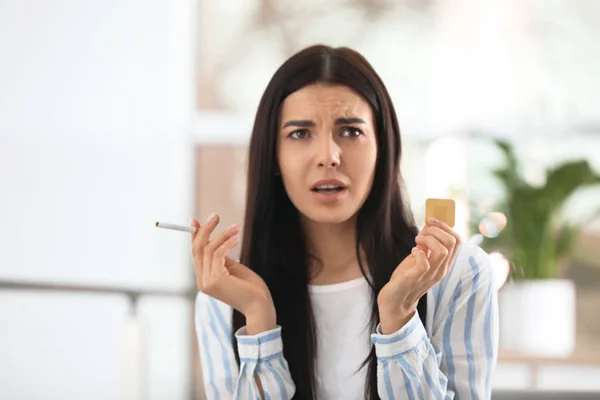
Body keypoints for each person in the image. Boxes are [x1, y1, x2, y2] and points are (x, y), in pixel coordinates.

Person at [190, 45, 498, 400]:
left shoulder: (459, 273)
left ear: (383, 147)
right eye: (300, 134)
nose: (328, 157)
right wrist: (258, 320)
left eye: (350, 131)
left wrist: (399, 317)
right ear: (273, 156)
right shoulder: (226, 295)